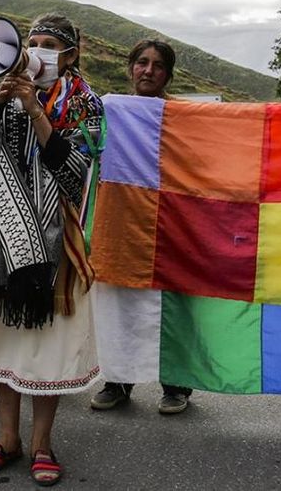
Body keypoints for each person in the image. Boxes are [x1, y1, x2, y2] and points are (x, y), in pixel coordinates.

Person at [0, 13, 104, 486]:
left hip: (55, 240)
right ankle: (7, 438)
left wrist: (37, 112)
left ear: (70, 54)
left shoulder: (85, 104)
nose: (34, 50)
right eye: (31, 41)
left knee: (47, 343)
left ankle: (42, 443)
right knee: (2, 340)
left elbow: (76, 176)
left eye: (46, 44)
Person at [89, 39, 194, 415]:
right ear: (131, 67)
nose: (149, 71)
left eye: (158, 65)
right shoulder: (110, 108)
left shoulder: (185, 115)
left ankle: (177, 385)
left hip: (171, 223)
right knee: (120, 303)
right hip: (120, 221)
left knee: (172, 306)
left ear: (168, 73)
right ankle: (118, 381)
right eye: (142, 63)